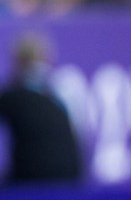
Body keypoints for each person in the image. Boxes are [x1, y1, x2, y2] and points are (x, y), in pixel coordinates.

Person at [0, 33, 83, 185]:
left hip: (31, 180)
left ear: (19, 62)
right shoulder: (58, 94)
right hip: (71, 178)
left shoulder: (13, 95)